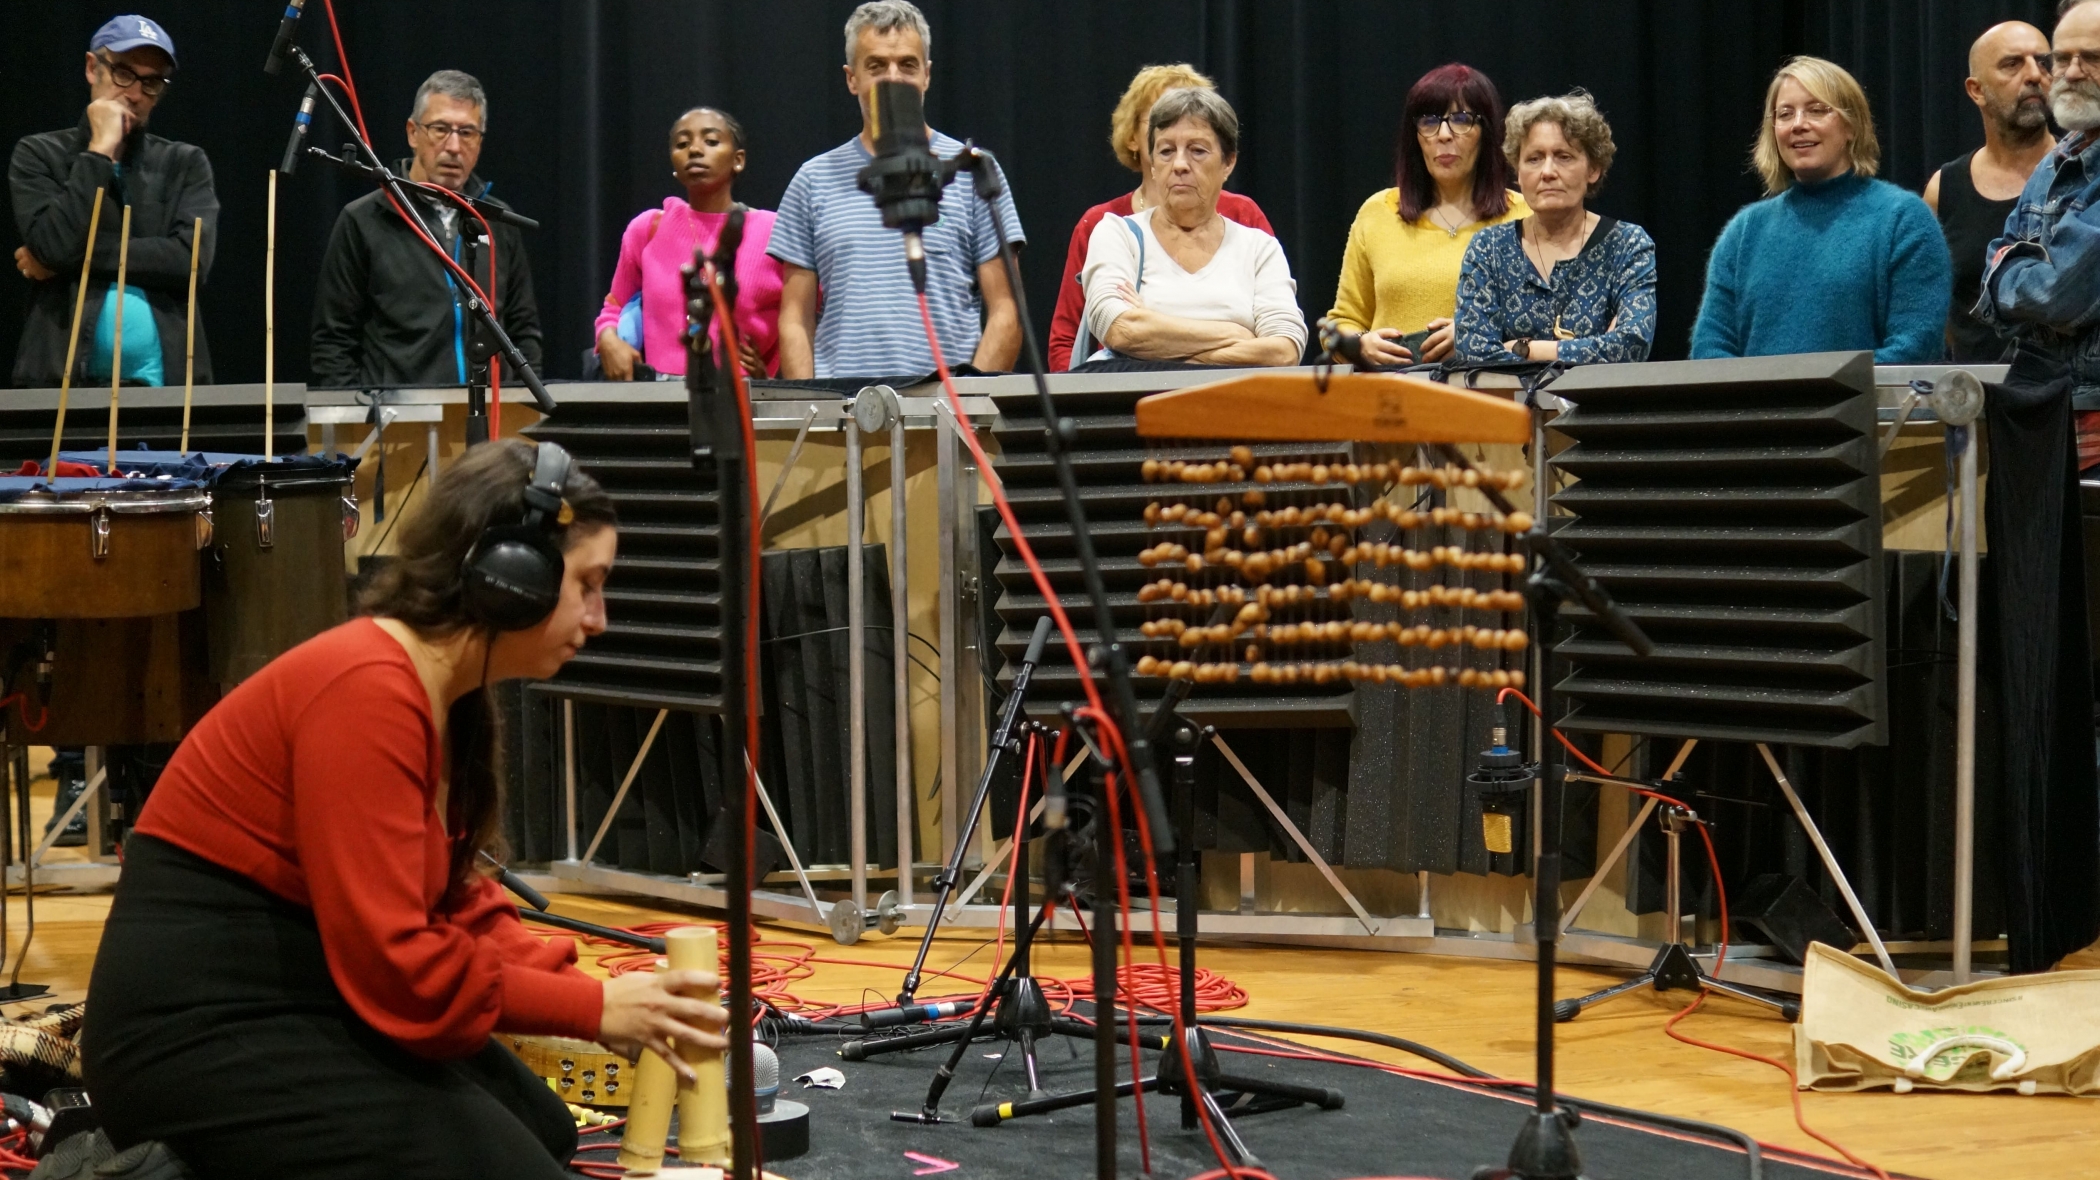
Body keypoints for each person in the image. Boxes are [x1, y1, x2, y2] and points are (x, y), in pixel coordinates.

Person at [81, 440, 727, 1177]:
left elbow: (449, 897)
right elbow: (400, 969)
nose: (599, 617)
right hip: (192, 1033)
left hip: (297, 992)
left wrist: (600, 996)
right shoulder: (367, 690)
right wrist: (594, 1012)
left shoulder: (431, 689)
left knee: (542, 1129)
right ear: (510, 579)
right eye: (588, 583)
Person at [769, 0, 1024, 379]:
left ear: (927, 75)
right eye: (876, 66)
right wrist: (813, 409)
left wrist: (968, 403)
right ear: (851, 78)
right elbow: (794, 319)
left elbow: (1007, 310)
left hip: (947, 413)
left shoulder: (972, 170)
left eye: (907, 65)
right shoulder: (813, 179)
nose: (893, 78)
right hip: (841, 416)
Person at [1691, 56, 1951, 363]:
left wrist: (1819, 394)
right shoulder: (1744, 231)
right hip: (1759, 411)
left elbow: (1915, 346)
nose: (1799, 124)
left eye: (1817, 110)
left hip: (1870, 410)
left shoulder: (1904, 219)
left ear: (1852, 125)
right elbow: (1710, 347)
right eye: (1785, 114)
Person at [10, 14, 216, 389]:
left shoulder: (184, 163)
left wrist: (69, 261)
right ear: (93, 68)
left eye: (151, 82)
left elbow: (189, 261)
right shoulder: (39, 154)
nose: (135, 94)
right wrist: (99, 152)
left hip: (166, 391)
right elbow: (55, 244)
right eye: (123, 73)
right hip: (61, 386)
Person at [310, 70, 543, 389]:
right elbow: (333, 344)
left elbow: (524, 331)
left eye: (467, 132)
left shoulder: (498, 221)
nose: (454, 146)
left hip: (493, 421)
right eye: (441, 129)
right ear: (413, 132)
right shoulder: (364, 220)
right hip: (395, 426)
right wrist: (361, 419)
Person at [1047, 64, 1275, 371]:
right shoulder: (1105, 224)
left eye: (1194, 128)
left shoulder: (1244, 218)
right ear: (1136, 137)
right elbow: (1071, 337)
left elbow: (1280, 346)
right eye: (1164, 116)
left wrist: (1152, 332)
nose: (1181, 158)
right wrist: (1235, 334)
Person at [1327, 64, 1528, 368]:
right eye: (1429, 121)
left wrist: (1477, 334)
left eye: (1462, 120)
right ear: (1415, 135)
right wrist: (1359, 345)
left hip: (1489, 395)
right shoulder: (1378, 211)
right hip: (1389, 398)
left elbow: (1547, 324)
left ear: (1486, 132)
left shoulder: (1524, 215)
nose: (1444, 135)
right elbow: (1342, 321)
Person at [1979, 0, 2100, 473]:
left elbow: (2057, 297)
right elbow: (1995, 265)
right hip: (2049, 413)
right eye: (2062, 58)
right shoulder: (2058, 156)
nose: (2070, 72)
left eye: (2092, 58)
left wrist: (2010, 269)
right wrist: (2012, 269)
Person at [1455, 91, 1656, 366]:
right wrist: (1593, 350)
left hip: (1599, 409)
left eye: (1563, 156)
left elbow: (1631, 346)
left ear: (1593, 169)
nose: (1547, 171)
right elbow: (1472, 352)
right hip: (1508, 408)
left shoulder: (1628, 244)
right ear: (1518, 173)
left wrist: (1526, 349)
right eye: (1534, 159)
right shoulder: (1488, 248)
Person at [594, 107, 783, 380]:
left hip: (741, 399)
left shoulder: (773, 231)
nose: (694, 150)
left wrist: (773, 378)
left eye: (711, 141)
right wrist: (608, 339)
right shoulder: (648, 229)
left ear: (738, 160)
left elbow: (802, 317)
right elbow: (613, 308)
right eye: (682, 144)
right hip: (659, 402)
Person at [1926, 21, 2056, 363]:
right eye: (2012, 64)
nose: (2033, 74)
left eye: (2044, 62)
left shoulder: (2085, 176)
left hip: (2073, 401)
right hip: (1977, 404)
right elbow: (1934, 310)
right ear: (1976, 90)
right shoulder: (1944, 189)